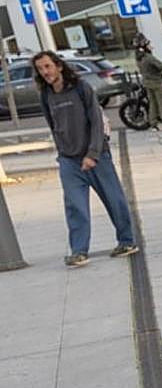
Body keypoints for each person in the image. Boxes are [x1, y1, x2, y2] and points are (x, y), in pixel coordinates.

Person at [33, 50, 138, 267]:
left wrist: (92, 154)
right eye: (40, 69)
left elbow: (96, 121)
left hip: (96, 156)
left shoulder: (81, 88)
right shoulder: (46, 94)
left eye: (48, 66)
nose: (45, 72)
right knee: (75, 205)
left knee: (114, 200)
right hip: (68, 160)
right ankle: (79, 251)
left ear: (59, 66)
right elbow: (53, 125)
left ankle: (127, 241)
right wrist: (62, 154)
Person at [134, 35, 162, 133]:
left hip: (147, 82)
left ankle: (153, 123)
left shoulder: (139, 58)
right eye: (149, 44)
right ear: (145, 46)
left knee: (153, 103)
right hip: (156, 82)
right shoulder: (149, 57)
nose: (151, 46)